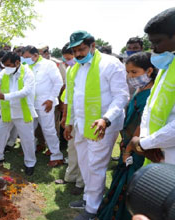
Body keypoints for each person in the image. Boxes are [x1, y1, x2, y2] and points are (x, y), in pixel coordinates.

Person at [64, 31, 129, 220]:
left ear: (93, 46)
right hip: (81, 124)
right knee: (85, 163)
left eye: (81, 49)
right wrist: (69, 122)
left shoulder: (110, 64)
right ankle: (89, 198)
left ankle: (92, 210)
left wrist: (106, 119)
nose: (78, 54)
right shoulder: (74, 69)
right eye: (74, 51)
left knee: (96, 166)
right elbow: (73, 98)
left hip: (103, 125)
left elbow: (121, 96)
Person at [97, 52, 157, 220]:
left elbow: (141, 124)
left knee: (130, 185)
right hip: (129, 145)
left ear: (149, 71)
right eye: (128, 72)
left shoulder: (150, 95)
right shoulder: (141, 90)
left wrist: (127, 149)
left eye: (134, 72)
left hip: (136, 148)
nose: (130, 76)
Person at [128, 7, 175, 165]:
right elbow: (151, 106)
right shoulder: (167, 66)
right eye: (151, 43)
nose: (153, 48)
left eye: (157, 42)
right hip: (158, 151)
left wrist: (144, 144)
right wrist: (145, 140)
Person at [0, 52, 37, 176]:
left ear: (17, 63)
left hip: (22, 112)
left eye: (8, 65)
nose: (6, 68)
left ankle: (30, 163)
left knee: (27, 139)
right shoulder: (6, 71)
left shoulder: (28, 73)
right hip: (7, 111)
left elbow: (25, 91)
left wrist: (4, 96)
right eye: (4, 65)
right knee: (1, 134)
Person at [22, 45, 64, 167]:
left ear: (35, 55)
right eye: (24, 57)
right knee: (29, 129)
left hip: (45, 103)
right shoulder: (26, 66)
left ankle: (56, 155)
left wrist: (51, 99)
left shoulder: (48, 65)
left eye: (27, 57)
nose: (25, 59)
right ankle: (31, 151)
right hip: (30, 103)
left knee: (48, 129)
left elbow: (58, 82)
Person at [55, 42, 85, 196]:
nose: (70, 61)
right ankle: (70, 177)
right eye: (66, 59)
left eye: (70, 58)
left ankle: (81, 182)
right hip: (73, 116)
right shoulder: (71, 70)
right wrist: (66, 117)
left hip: (86, 117)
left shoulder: (90, 70)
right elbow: (67, 96)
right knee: (72, 148)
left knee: (83, 152)